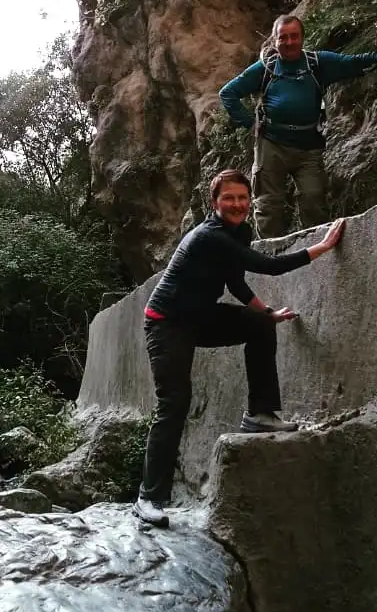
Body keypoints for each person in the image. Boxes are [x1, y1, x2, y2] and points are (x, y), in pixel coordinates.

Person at [133, 168, 345, 528]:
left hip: (200, 317)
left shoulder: (239, 232)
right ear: (214, 203)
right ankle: (149, 497)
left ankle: (260, 414)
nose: (236, 204)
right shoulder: (209, 236)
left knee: (260, 324)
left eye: (242, 198)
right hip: (166, 323)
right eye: (228, 198)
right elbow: (269, 266)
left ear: (249, 201)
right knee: (174, 403)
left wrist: (267, 313)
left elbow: (236, 281)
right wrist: (321, 247)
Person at [219, 14, 377, 239]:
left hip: (308, 146)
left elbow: (354, 63)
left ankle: (314, 252)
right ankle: (269, 261)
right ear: (275, 42)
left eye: (294, 37)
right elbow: (228, 93)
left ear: (302, 38)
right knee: (269, 206)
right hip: (271, 146)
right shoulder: (265, 69)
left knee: (314, 198)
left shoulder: (317, 63)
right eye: (283, 38)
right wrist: (249, 123)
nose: (289, 42)